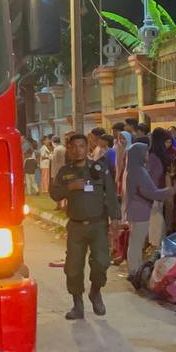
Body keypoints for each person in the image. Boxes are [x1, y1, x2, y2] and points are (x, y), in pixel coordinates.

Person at [50, 134, 120, 320]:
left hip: (98, 225)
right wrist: (70, 187)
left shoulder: (99, 168)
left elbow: (111, 194)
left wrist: (115, 218)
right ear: (69, 149)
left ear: (87, 147)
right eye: (74, 147)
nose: (77, 150)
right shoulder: (65, 172)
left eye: (81, 146)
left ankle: (95, 292)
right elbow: (54, 194)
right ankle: (77, 304)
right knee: (73, 267)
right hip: (76, 227)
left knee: (102, 263)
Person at [125, 136, 174, 281]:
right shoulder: (139, 171)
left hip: (135, 210)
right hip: (140, 211)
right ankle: (134, 271)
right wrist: (170, 190)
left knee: (135, 242)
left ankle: (135, 269)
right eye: (145, 152)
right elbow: (150, 192)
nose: (147, 155)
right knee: (137, 242)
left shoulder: (133, 169)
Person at [148, 127, 176, 239]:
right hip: (157, 192)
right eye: (166, 142)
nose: (168, 145)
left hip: (159, 191)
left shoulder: (155, 154)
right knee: (157, 222)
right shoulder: (155, 156)